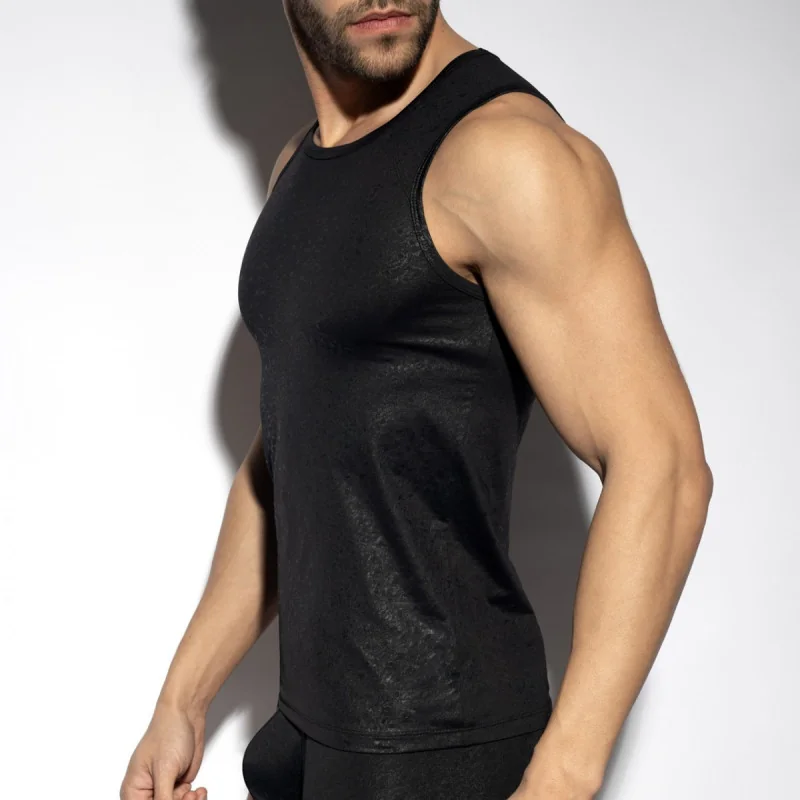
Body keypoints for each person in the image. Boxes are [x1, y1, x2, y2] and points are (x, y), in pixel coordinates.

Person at [120, 1, 714, 799]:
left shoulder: (506, 154)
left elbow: (664, 465)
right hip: (306, 737)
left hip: (442, 754)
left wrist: (563, 778)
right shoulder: (302, 163)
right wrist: (182, 699)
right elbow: (292, 451)